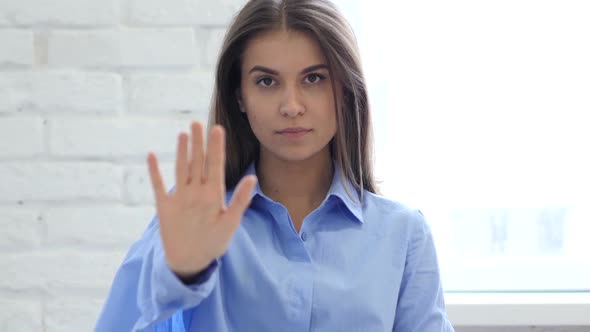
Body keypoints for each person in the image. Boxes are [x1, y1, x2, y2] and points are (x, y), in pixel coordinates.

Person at [95, 0, 455, 331]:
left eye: (314, 78)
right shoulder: (198, 217)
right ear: (239, 96)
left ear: (344, 90)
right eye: (266, 81)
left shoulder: (404, 234)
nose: (292, 105)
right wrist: (182, 275)